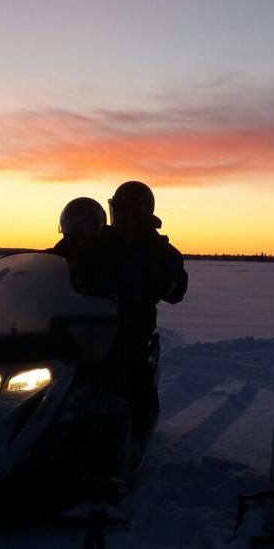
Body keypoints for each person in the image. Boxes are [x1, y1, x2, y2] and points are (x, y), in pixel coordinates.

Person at [103, 180, 188, 433]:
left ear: (141, 211)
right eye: (117, 209)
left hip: (132, 325)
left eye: (126, 210)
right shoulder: (100, 240)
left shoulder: (160, 249)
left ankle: (139, 427)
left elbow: (177, 290)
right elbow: (66, 254)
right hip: (88, 322)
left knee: (132, 368)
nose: (120, 216)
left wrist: (160, 279)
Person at [49, 197, 114, 297]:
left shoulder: (114, 247)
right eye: (73, 222)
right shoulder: (66, 245)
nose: (78, 226)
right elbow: (52, 255)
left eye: (86, 222)